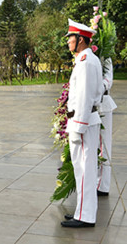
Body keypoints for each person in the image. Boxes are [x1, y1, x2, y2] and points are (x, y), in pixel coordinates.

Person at [61, 19, 103, 228]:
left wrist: (78, 126)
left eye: (71, 38)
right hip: (84, 121)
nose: (68, 41)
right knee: (82, 170)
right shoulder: (85, 59)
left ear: (80, 40)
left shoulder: (86, 61)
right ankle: (81, 211)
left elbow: (85, 97)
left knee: (85, 170)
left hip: (83, 122)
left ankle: (85, 216)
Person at [97, 57, 116, 195]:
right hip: (90, 104)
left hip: (103, 103)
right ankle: (94, 182)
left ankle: (103, 185)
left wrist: (96, 88)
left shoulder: (105, 55)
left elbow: (108, 79)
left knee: (104, 145)